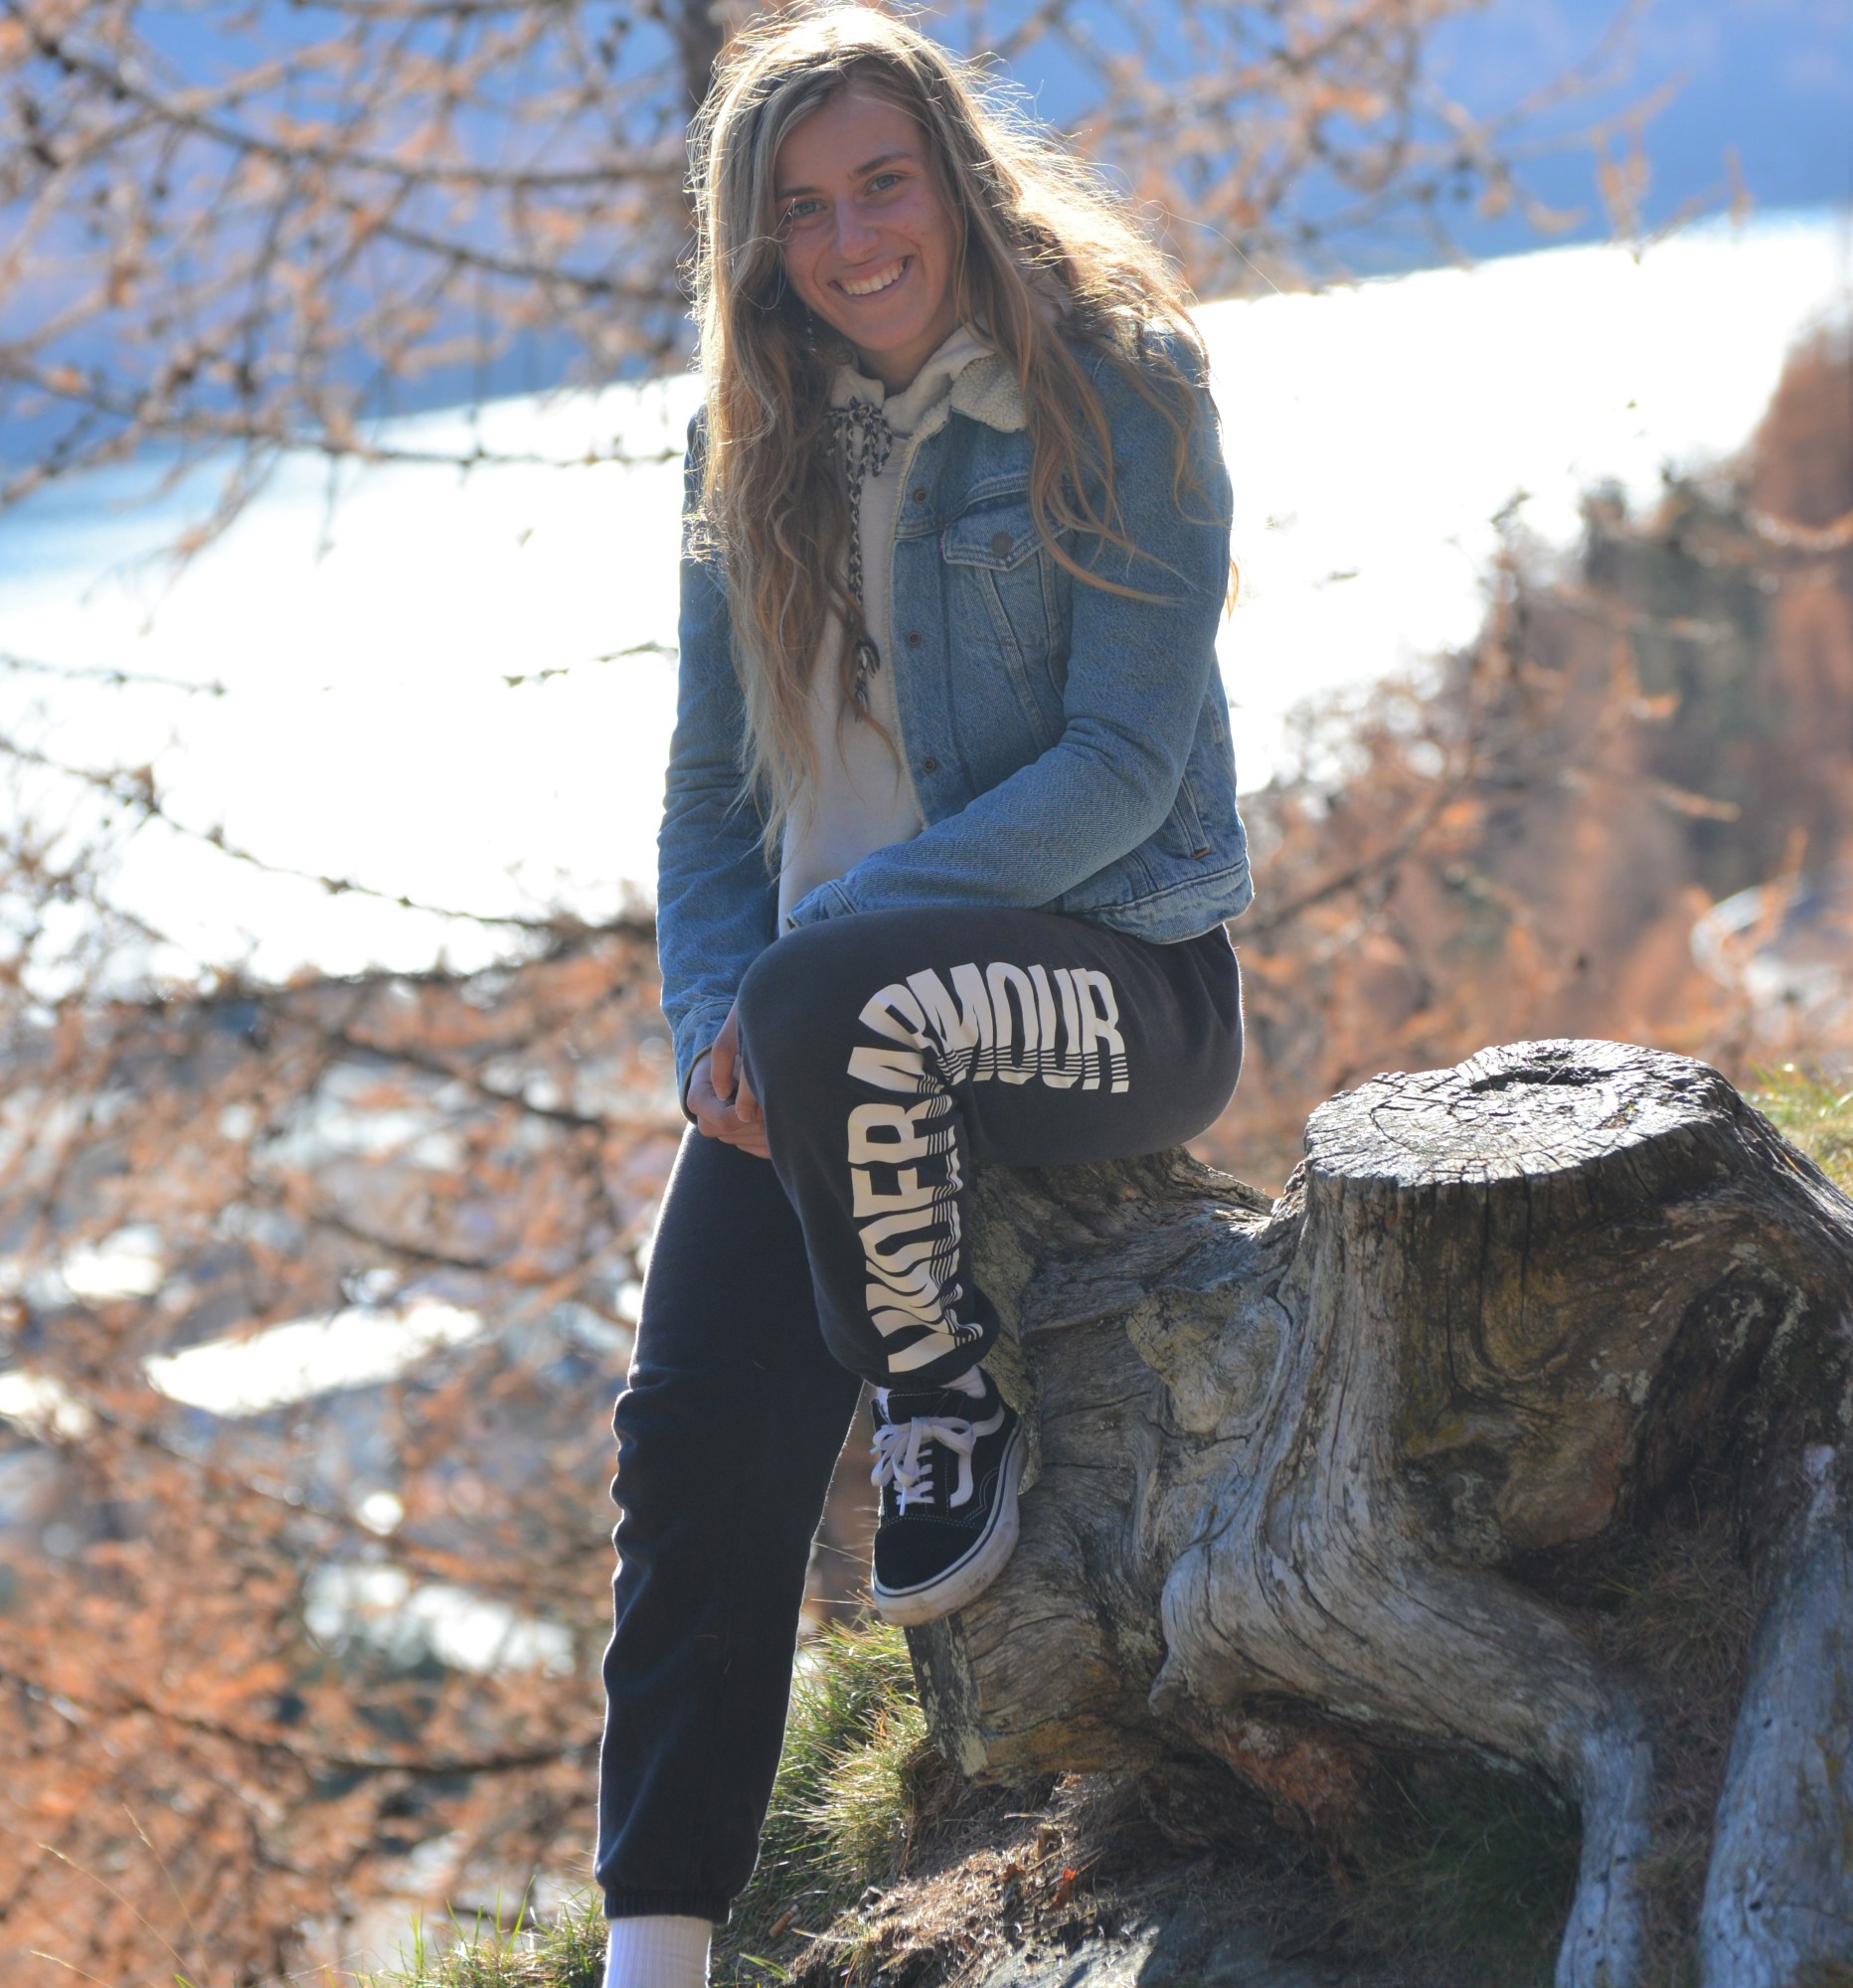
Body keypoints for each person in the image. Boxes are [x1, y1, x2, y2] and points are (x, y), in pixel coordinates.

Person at [593, 7, 1251, 1982]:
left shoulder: (1116, 388)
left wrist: (830, 948)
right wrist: (715, 1019)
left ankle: (938, 1407)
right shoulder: (743, 445)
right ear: (756, 242)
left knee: (835, 1009)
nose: (850, 237)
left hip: (1115, 984)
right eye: (801, 209)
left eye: (882, 183)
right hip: (814, 1021)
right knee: (688, 1448)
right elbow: (709, 799)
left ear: (955, 180)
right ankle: (655, 1951)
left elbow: (1121, 768)